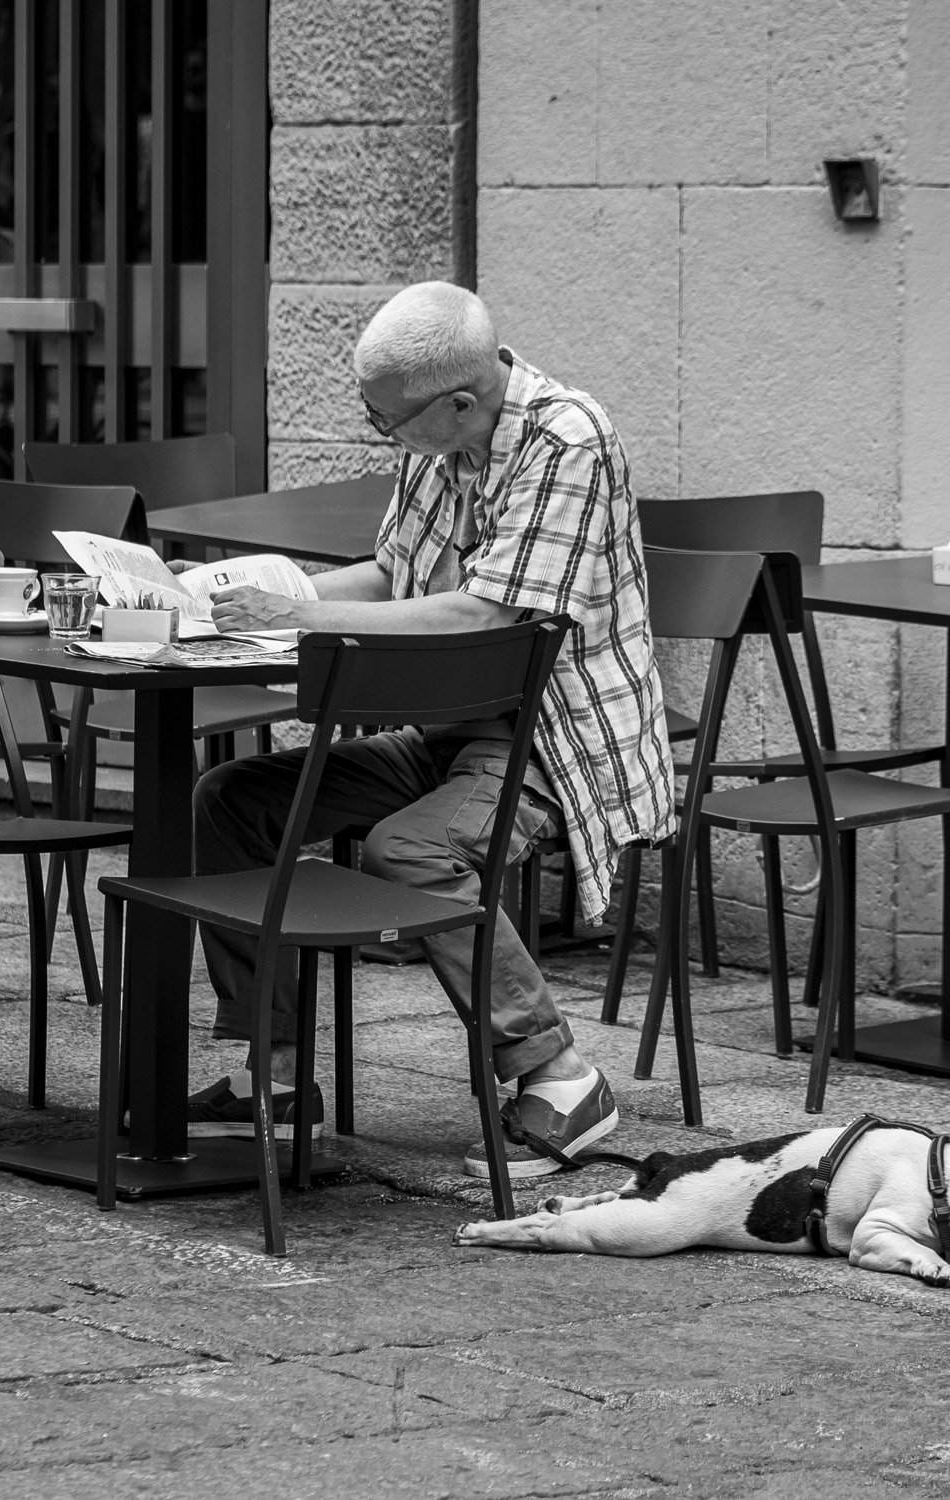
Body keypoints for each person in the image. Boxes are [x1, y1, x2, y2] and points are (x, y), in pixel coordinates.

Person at [178, 281, 675, 1176]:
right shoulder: (438, 441)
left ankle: (560, 1077)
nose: (383, 436)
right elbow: (392, 579)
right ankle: (278, 1076)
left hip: (554, 740)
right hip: (447, 724)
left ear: (458, 402)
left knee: (411, 851)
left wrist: (295, 623)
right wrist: (241, 599)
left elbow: (488, 618)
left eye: (387, 422)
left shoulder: (569, 439)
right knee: (231, 801)